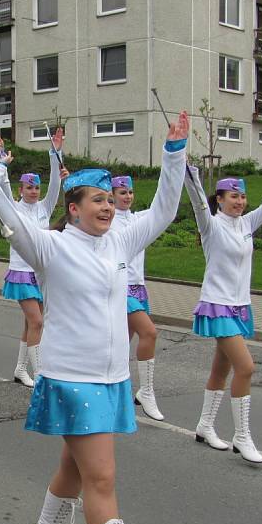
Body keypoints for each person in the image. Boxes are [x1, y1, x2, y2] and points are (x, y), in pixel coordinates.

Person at [0, 112, 188, 524]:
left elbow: (164, 209)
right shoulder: (51, 247)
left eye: (108, 200)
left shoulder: (121, 239)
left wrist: (174, 154)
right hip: (72, 378)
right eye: (96, 200)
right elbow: (7, 215)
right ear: (73, 209)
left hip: (113, 378)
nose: (107, 207)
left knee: (73, 469)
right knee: (101, 477)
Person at [186, 132, 262, 464]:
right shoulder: (211, 226)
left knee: (221, 370)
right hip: (217, 306)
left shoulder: (247, 224)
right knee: (246, 367)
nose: (240, 201)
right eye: (233, 196)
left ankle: (204, 425)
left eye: (242, 196)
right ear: (219, 199)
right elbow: (198, 202)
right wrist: (189, 172)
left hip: (240, 307)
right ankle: (242, 437)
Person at [0, 132, 66, 387]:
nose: (34, 191)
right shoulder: (14, 208)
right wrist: (0, 156)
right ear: (20, 189)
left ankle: (20, 369)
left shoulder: (45, 208)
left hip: (41, 273)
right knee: (37, 321)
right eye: (29, 187)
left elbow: (57, 184)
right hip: (21, 272)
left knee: (30, 323)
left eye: (37, 187)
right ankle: (41, 374)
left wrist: (55, 153)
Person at [108, 175, 164, 421]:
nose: (128, 196)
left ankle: (115, 392)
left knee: (122, 344)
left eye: (130, 192)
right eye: (122, 192)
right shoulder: (109, 222)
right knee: (149, 333)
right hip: (121, 288)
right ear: (112, 195)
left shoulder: (138, 218)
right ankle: (147, 391)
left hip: (139, 289)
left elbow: (162, 206)